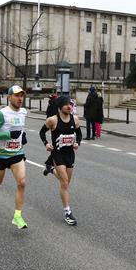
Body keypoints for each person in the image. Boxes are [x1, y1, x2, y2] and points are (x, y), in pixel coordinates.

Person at [0, 85, 29, 230]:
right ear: (9, 97)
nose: (20, 98)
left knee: (22, 183)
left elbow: (19, 129)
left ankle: (17, 216)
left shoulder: (23, 112)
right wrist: (8, 135)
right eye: (16, 95)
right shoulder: (2, 114)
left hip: (17, 154)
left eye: (21, 95)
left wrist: (22, 137)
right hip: (2, 155)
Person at [40, 95, 82, 226]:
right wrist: (46, 143)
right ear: (60, 107)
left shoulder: (74, 119)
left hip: (70, 154)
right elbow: (42, 132)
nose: (70, 106)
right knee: (64, 183)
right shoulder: (52, 120)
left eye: (70, 104)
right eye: (66, 104)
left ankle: (50, 170)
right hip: (57, 154)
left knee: (66, 183)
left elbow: (79, 133)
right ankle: (67, 212)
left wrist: (77, 143)